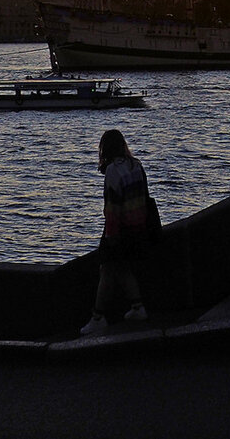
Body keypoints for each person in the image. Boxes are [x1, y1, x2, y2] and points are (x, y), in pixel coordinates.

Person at [80, 129, 150, 336]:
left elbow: (112, 207)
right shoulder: (136, 165)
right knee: (122, 269)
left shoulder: (113, 171)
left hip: (120, 229)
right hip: (139, 227)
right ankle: (138, 307)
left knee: (107, 271)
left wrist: (111, 236)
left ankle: (98, 318)